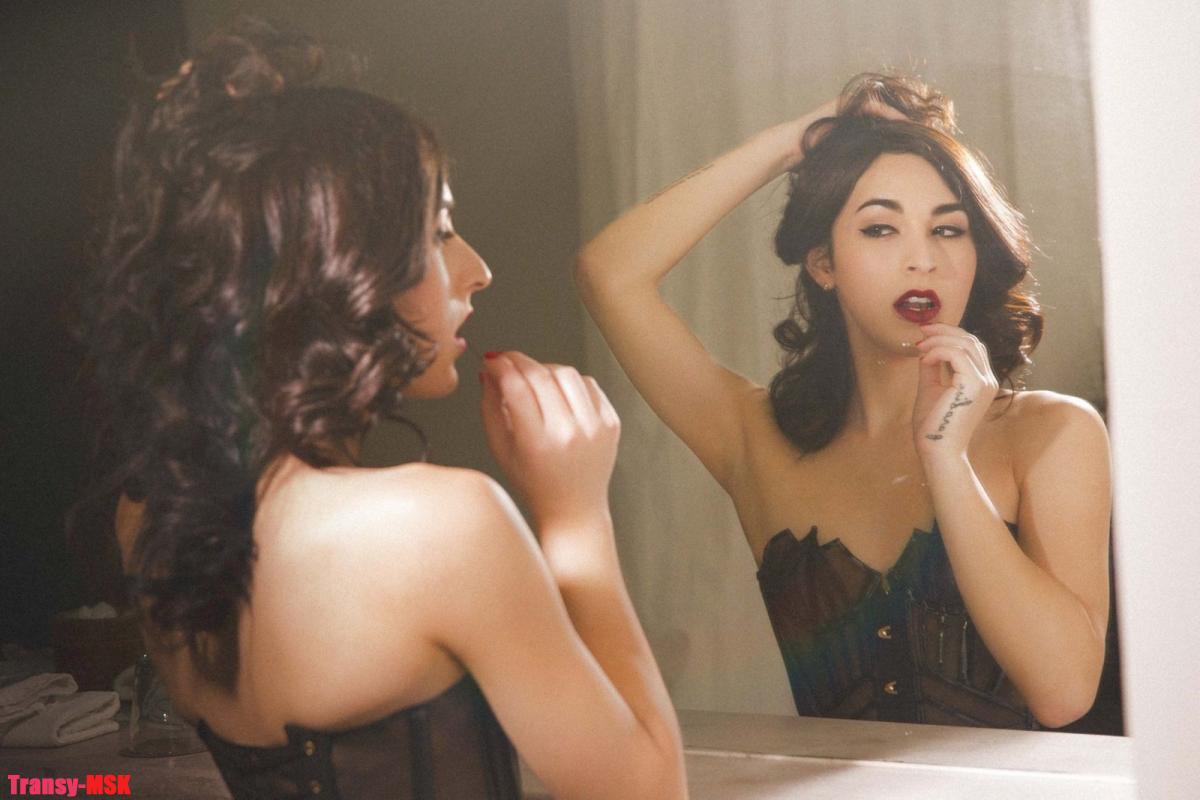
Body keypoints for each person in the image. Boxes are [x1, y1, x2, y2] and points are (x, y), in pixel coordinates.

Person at [86, 18, 685, 799]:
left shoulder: (150, 522)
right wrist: (575, 516)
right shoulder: (441, 525)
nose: (478, 269)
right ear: (333, 266)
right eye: (439, 232)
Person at [575, 74, 1111, 729]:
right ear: (823, 263)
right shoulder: (755, 439)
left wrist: (946, 459)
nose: (923, 260)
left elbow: (1064, 694)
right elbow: (610, 274)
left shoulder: (1053, 433)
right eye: (881, 229)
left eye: (949, 230)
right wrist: (795, 141)